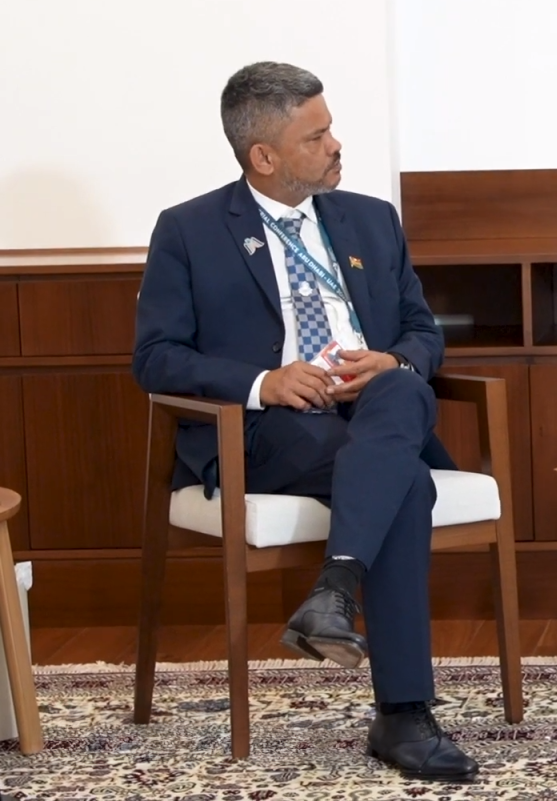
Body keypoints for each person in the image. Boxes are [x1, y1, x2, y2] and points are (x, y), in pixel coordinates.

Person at [132, 62, 478, 781]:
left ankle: (334, 593)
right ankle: (403, 714)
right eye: (315, 137)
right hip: (268, 430)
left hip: (372, 412)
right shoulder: (190, 230)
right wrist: (265, 382)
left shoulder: (371, 220)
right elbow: (156, 359)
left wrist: (392, 360)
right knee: (406, 482)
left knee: (401, 390)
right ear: (263, 156)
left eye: (330, 129)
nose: (335, 145)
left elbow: (422, 331)